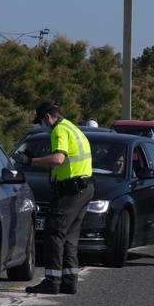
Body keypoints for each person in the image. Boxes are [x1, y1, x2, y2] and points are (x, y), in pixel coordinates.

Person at [14, 102, 94, 294]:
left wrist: (30, 161)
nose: (42, 125)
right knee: (69, 237)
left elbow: (58, 158)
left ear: (48, 117)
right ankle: (69, 280)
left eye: (42, 121)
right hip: (84, 187)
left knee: (54, 232)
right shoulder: (72, 127)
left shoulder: (59, 130)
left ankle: (52, 281)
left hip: (72, 190)